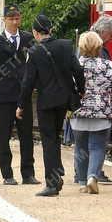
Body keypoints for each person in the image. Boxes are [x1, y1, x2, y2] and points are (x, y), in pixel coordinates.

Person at [16, 13, 84, 197]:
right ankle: (57, 169)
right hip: (63, 100)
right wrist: (81, 90)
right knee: (56, 136)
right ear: (51, 29)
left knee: (48, 140)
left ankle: (52, 183)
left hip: (46, 102)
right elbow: (78, 70)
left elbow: (27, 82)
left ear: (35, 32)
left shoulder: (34, 52)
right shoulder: (65, 45)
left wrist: (21, 105)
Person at [0, 4, 36, 185]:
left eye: (17, 18)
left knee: (26, 135)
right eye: (11, 18)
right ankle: (7, 174)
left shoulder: (28, 39)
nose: (15, 21)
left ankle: (28, 173)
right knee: (4, 134)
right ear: (4, 19)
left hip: (23, 94)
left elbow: (33, 64)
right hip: (4, 94)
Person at [71, 31, 112, 195]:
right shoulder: (110, 66)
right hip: (102, 113)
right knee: (97, 147)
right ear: (99, 47)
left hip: (79, 112)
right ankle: (92, 176)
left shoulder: (74, 65)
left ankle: (81, 182)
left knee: (80, 147)